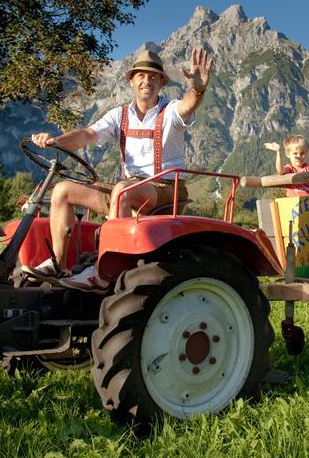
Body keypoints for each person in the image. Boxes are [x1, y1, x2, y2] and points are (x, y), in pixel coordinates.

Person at [24, 46, 214, 291]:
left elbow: (189, 104)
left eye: (154, 76)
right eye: (142, 76)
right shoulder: (119, 115)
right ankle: (58, 264)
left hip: (166, 187)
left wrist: (197, 88)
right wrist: (56, 141)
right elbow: (86, 134)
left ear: (161, 83)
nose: (147, 81)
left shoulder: (170, 111)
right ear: (132, 81)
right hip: (129, 188)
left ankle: (103, 273)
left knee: (123, 190)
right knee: (62, 190)